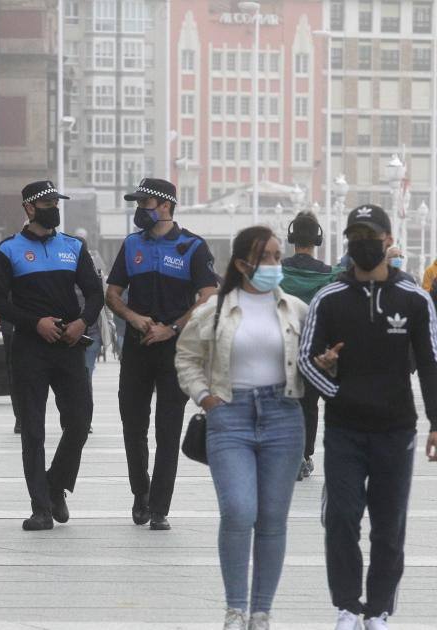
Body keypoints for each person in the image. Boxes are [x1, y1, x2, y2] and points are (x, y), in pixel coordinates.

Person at [298, 204, 437, 630]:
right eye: (355, 235)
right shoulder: (330, 297)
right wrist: (332, 384)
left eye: (371, 236)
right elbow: (305, 360)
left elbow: (431, 362)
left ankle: (377, 610)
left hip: (396, 431)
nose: (363, 243)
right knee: (341, 518)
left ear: (388, 239)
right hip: (344, 430)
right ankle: (347, 606)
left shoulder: (413, 298)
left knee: (388, 525)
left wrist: (436, 422)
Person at [176, 226, 309, 630]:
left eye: (276, 255)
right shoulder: (214, 310)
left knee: (271, 518)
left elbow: (314, 359)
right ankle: (235, 609)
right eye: (264, 257)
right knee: (238, 510)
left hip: (284, 416)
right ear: (241, 263)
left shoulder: (296, 309)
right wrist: (204, 396)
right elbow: (186, 357)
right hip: (229, 416)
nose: (273, 264)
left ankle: (261, 612)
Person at [0, 180, 104, 530]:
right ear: (29, 207)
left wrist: (82, 322)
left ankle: (55, 486)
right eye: (47, 201)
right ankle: (40, 507)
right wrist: (34, 322)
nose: (54, 206)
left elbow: (94, 293)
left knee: (80, 420)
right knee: (33, 429)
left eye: (56, 201)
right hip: (30, 347)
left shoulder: (73, 246)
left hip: (69, 344)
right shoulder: (8, 251)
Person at [106, 178, 218, 531]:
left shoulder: (192, 247)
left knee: (167, 431)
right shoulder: (131, 245)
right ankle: (140, 493)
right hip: (138, 349)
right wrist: (135, 319)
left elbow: (208, 296)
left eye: (145, 202)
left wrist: (172, 327)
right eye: (138, 203)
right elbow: (112, 294)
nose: (140, 209)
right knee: (133, 426)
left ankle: (159, 508)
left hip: (176, 350)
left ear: (166, 205)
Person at [279, 211, 342, 481]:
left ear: (292, 237)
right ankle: (304, 456)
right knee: (309, 404)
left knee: (284, 402)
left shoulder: (276, 271)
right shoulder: (330, 275)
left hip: (281, 347)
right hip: (315, 351)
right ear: (318, 238)